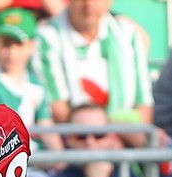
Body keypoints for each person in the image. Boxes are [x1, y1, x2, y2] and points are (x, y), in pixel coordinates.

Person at [33, 0, 153, 146]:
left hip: (124, 141)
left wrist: (110, 135)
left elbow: (144, 106)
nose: (88, 5)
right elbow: (58, 110)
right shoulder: (46, 37)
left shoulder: (128, 34)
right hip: (76, 143)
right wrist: (104, 136)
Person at [0, 7, 64, 177]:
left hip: (35, 165)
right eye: (5, 44)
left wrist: (59, 160)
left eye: (18, 44)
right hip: (0, 170)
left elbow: (47, 129)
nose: (11, 52)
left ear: (31, 45)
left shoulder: (36, 84)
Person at [43, 103, 144, 177]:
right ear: (68, 139)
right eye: (81, 136)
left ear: (110, 137)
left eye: (98, 135)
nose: (90, 142)